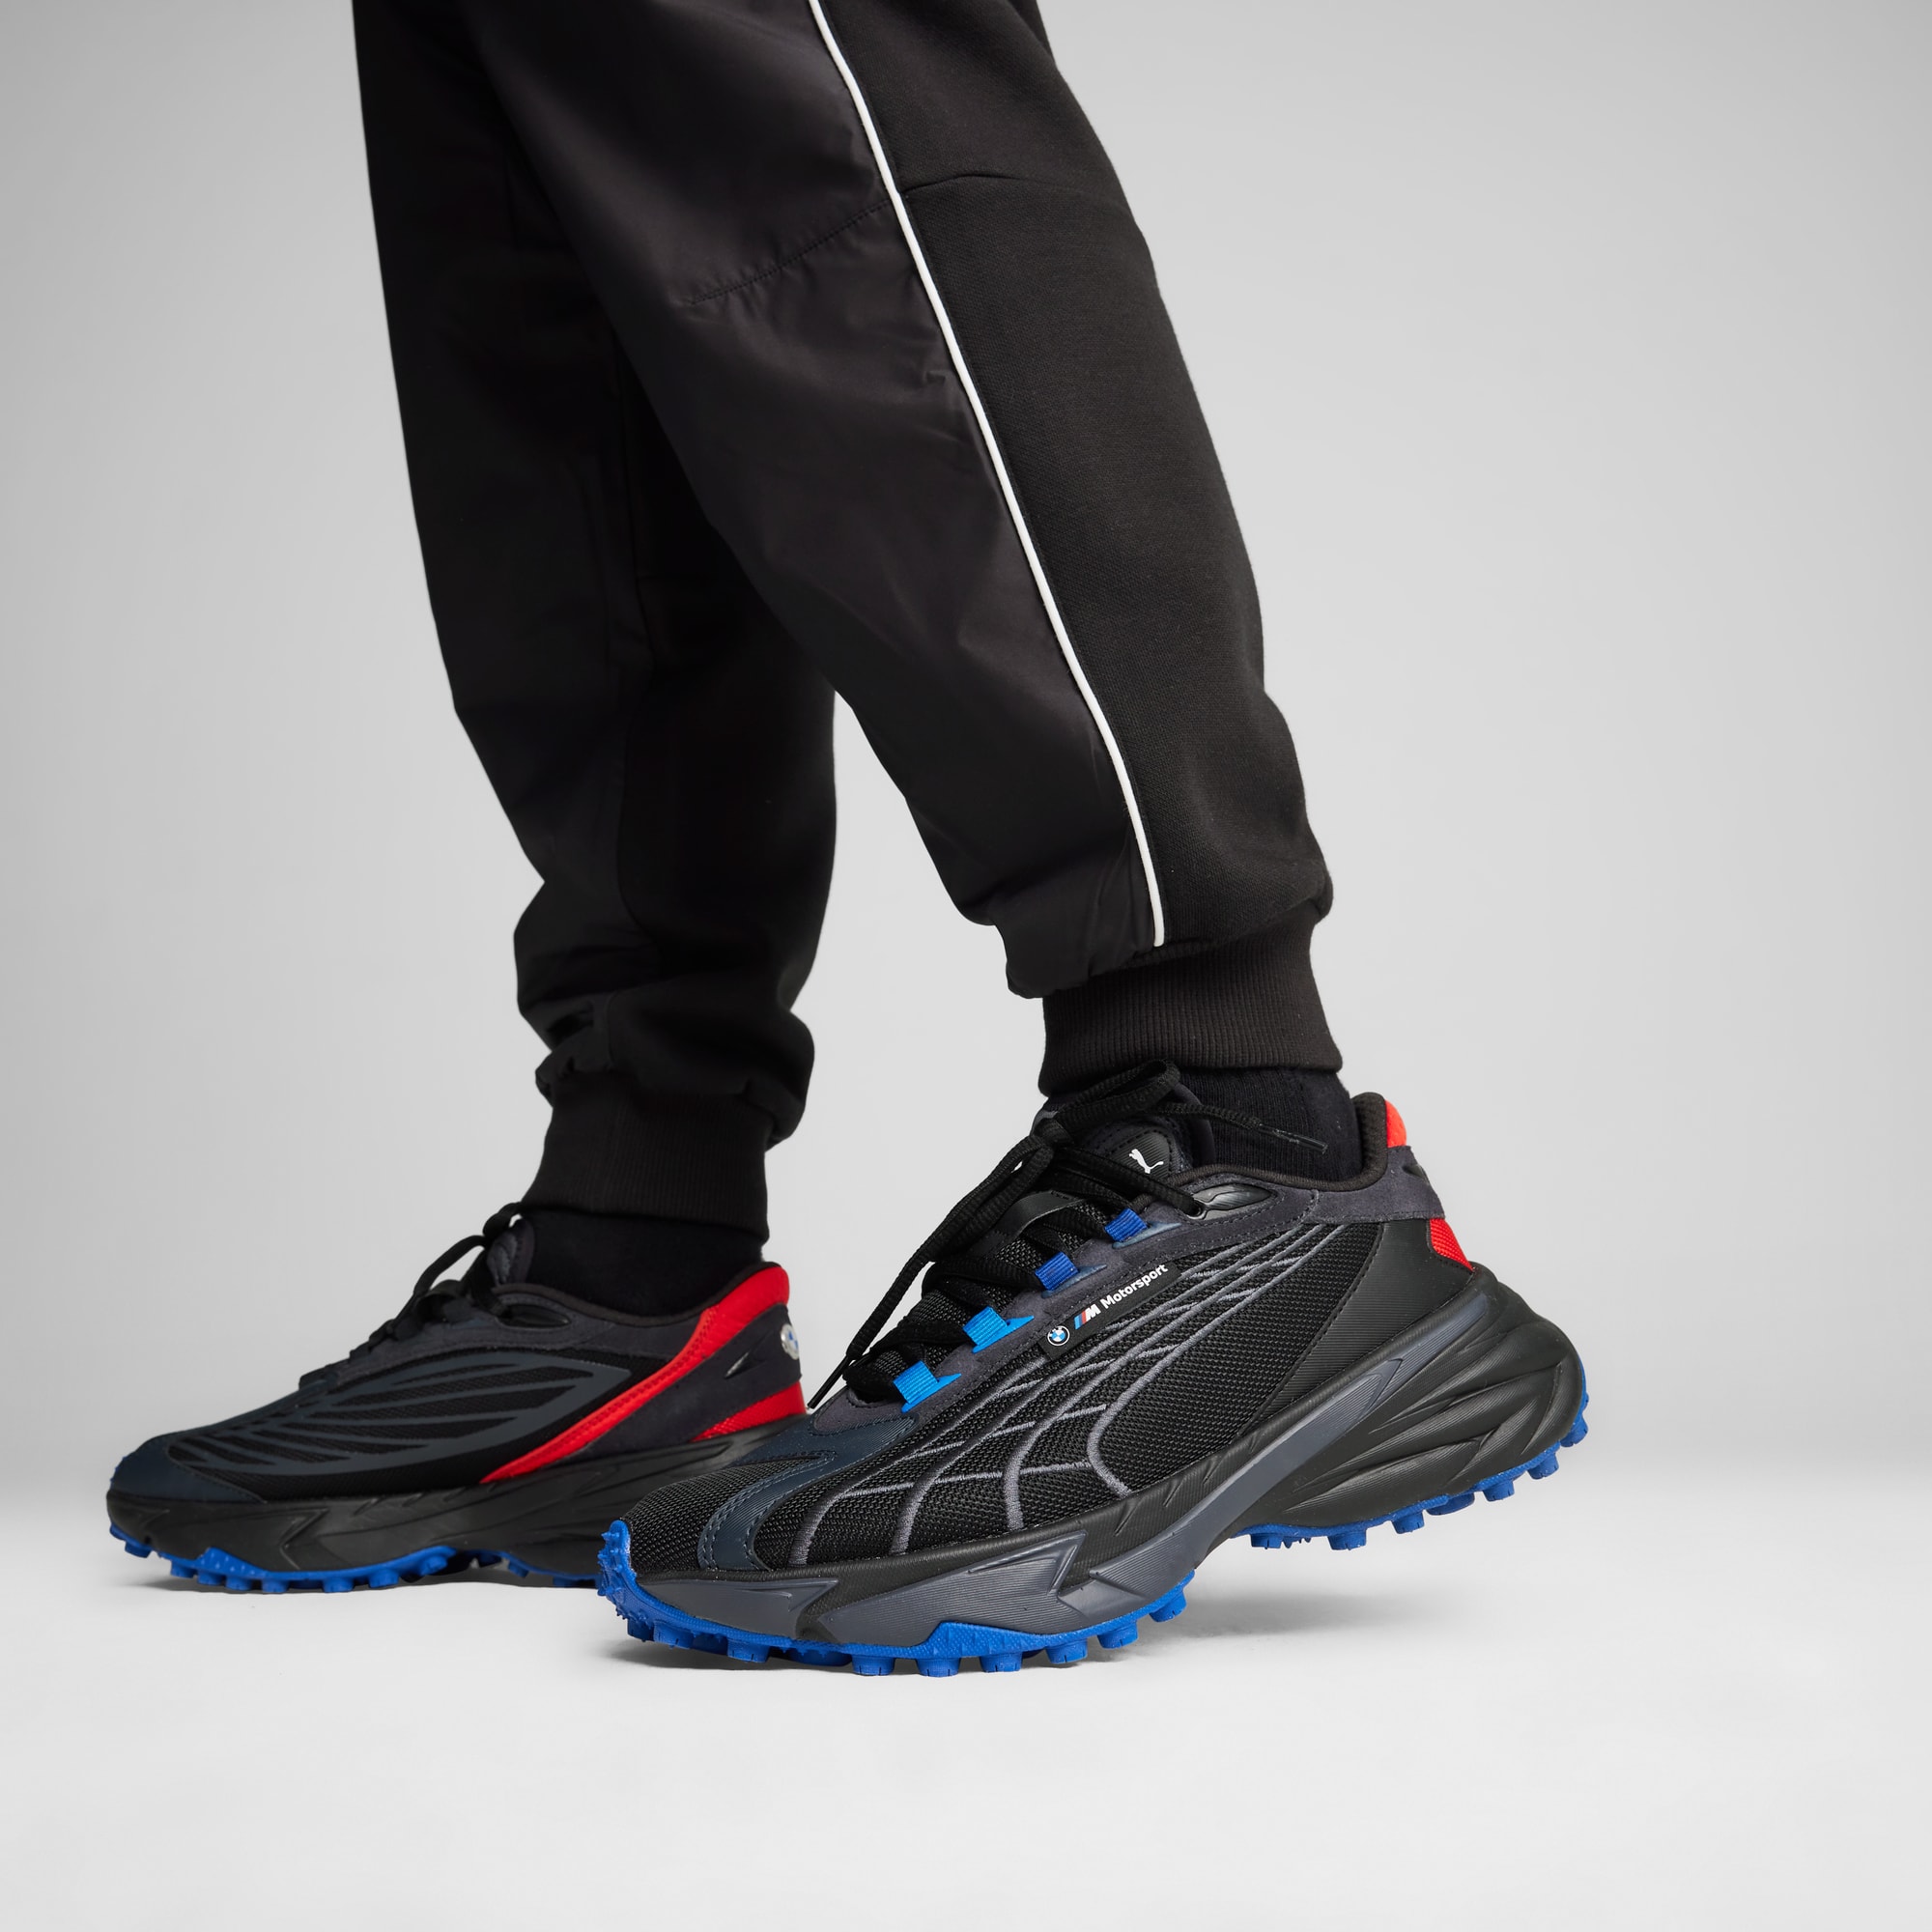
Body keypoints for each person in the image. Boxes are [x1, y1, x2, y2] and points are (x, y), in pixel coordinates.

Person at [106, 0, 1585, 1662]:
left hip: (1238, 1123)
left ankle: (1241, 1127)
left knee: (800, 96)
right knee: (538, 245)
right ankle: (635, 1266)